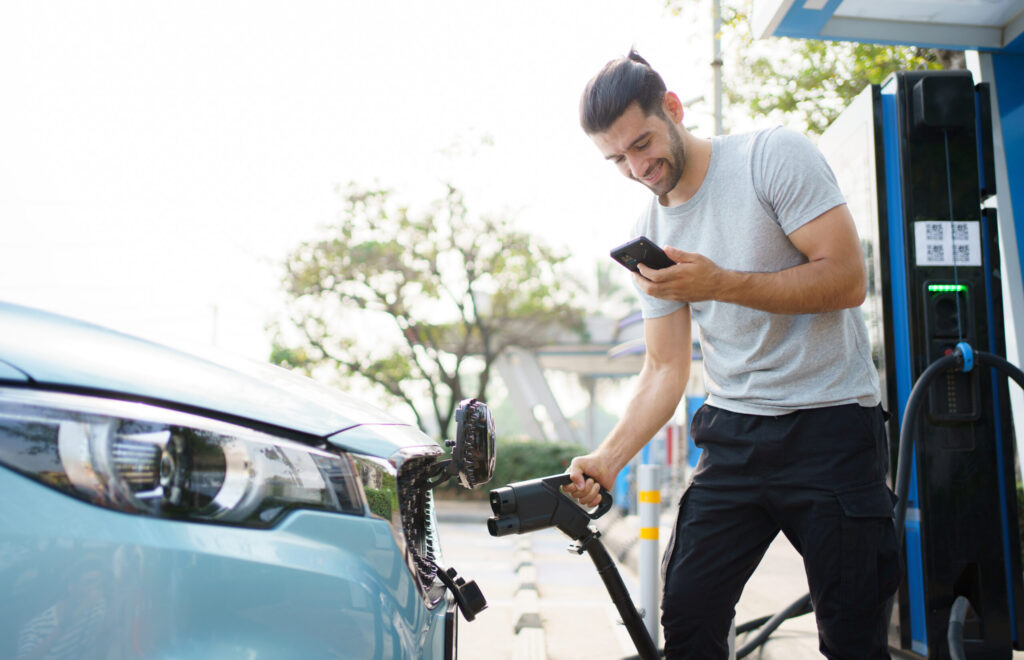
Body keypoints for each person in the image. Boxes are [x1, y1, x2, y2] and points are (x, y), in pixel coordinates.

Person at [564, 49, 899, 659]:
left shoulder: (772, 156)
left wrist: (719, 283)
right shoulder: (653, 230)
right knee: (688, 613)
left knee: (854, 634)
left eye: (643, 143)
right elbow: (665, 367)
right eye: (618, 159)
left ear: (673, 108)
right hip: (736, 435)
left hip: (830, 425)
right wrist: (608, 460)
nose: (639, 167)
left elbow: (847, 280)